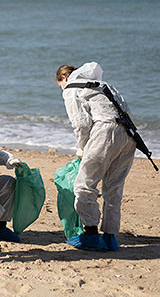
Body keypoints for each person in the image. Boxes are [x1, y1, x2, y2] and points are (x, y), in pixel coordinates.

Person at [56, 62, 137, 251]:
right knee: (113, 188)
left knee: (84, 185)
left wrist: (83, 150)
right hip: (130, 135)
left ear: (64, 78)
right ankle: (110, 237)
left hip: (106, 131)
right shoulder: (103, 85)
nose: (61, 89)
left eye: (60, 84)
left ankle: (91, 234)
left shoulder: (70, 88)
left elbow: (81, 124)